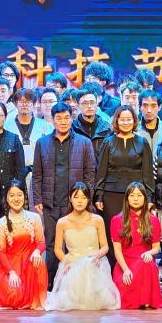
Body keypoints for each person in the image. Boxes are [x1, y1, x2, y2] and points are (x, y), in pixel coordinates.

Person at [31, 102, 97, 280]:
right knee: (51, 243)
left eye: (66, 118)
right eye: (59, 118)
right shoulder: (42, 143)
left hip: (75, 204)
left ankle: (73, 280)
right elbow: (37, 174)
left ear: (71, 119)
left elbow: (90, 173)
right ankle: (51, 282)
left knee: (73, 244)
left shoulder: (84, 143)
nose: (63, 122)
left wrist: (86, 199)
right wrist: (37, 199)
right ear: (52, 120)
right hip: (50, 202)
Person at [45, 182, 120, 311]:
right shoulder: (62, 222)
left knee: (89, 267)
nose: (80, 201)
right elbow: (57, 249)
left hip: (93, 261)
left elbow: (105, 247)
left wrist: (96, 256)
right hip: (72, 262)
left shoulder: (97, 220)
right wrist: (66, 261)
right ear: (70, 198)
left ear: (88, 199)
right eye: (76, 197)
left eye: (83, 197)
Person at [95, 106, 154, 267]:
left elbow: (148, 173)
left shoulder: (142, 142)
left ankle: (135, 270)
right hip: (111, 194)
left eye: (129, 119)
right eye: (122, 119)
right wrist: (98, 195)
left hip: (136, 195)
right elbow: (101, 170)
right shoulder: (108, 142)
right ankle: (115, 270)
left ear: (134, 121)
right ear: (116, 121)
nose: (126, 122)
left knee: (135, 233)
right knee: (114, 233)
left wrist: (149, 197)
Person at [111, 182, 162, 309]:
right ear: (127, 198)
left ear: (145, 199)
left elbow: (156, 248)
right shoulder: (116, 220)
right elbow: (117, 251)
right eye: (132, 195)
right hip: (125, 264)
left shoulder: (153, 220)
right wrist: (125, 270)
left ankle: (146, 299)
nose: (135, 199)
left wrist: (150, 252)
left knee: (146, 262)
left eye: (139, 195)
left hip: (144, 260)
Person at [0, 180, 47, 310]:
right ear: (7, 198)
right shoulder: (1, 222)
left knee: (39, 263)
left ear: (24, 196)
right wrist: (11, 272)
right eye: (12, 195)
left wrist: (37, 252)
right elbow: (1, 252)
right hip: (11, 265)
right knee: (13, 297)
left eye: (19, 195)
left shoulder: (34, 218)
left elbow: (41, 242)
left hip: (30, 263)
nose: (16, 199)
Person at [5, 88, 53, 181]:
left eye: (28, 101)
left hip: (40, 174)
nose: (24, 104)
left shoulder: (46, 126)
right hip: (13, 174)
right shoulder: (6, 126)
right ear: (15, 104)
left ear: (34, 104)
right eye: (21, 101)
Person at [71, 84, 113, 151]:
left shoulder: (106, 128)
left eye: (92, 102)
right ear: (77, 105)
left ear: (97, 104)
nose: (89, 106)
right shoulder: (72, 128)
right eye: (85, 103)